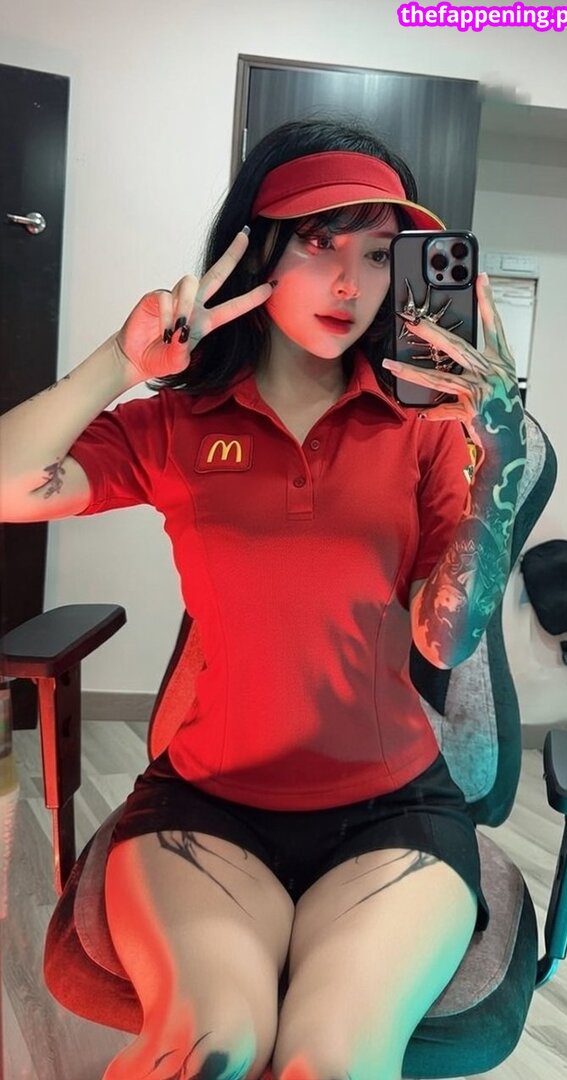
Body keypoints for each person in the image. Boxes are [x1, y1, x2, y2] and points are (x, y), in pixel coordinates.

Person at [0, 118, 527, 1080]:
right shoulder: (177, 423)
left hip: (395, 814)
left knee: (332, 1060)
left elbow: (443, 643)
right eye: (319, 244)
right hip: (205, 808)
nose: (349, 284)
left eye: (379, 255)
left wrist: (498, 469)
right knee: (207, 1049)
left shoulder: (422, 432)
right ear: (256, 250)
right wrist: (121, 363)